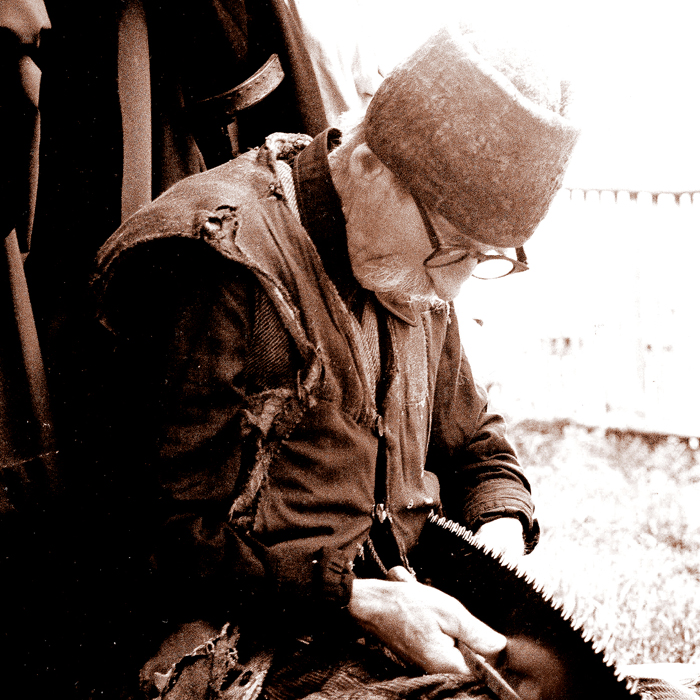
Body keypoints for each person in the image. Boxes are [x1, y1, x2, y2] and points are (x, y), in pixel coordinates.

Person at [90, 21, 580, 700]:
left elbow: (473, 444)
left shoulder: (411, 266)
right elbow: (155, 537)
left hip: (379, 627)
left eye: (484, 257)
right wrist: (357, 599)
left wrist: (496, 531)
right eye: (452, 246)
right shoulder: (217, 264)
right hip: (238, 648)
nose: (453, 286)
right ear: (370, 164)